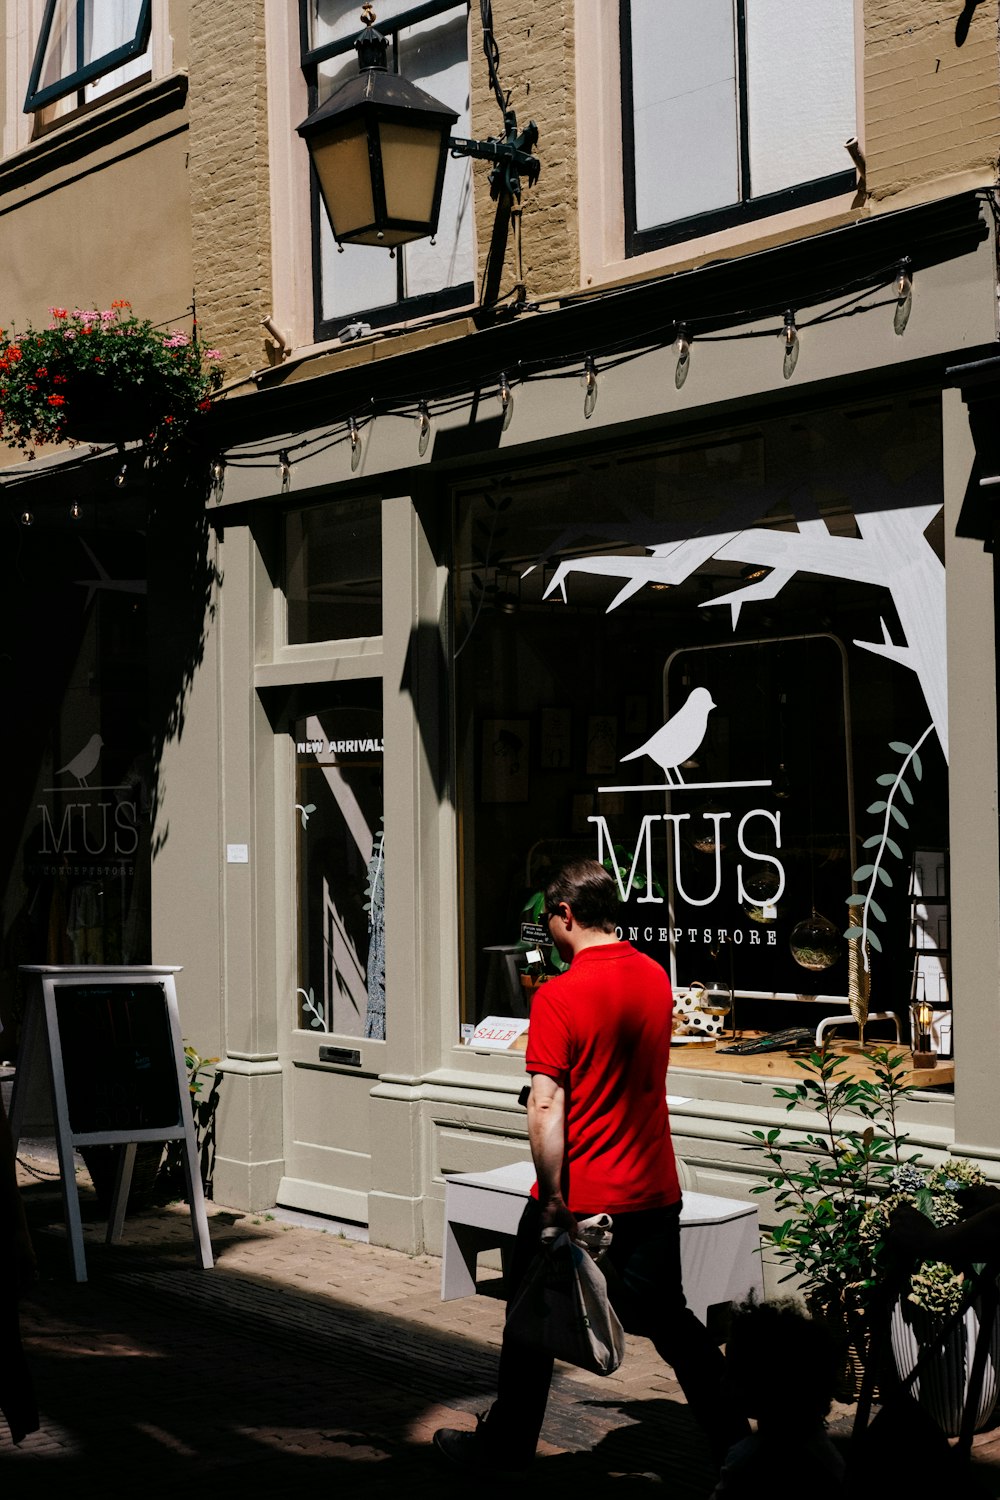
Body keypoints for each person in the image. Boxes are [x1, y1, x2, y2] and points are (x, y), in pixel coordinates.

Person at [434, 857, 746, 1472]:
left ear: (565, 914)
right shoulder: (656, 976)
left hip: (583, 1191)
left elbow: (548, 1102)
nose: (547, 928)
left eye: (548, 917)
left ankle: (504, 1448)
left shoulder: (559, 995)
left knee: (529, 1323)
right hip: (653, 1185)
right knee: (673, 1322)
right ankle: (736, 1439)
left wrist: (551, 1199)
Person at [710, 1297, 844, 1498]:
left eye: (733, 1373)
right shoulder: (822, 1449)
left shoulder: (747, 1460)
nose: (722, 1381)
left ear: (764, 1387)